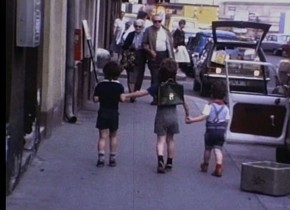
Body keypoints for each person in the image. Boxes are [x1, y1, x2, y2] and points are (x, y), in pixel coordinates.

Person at [123, 58, 190, 174]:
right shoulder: (177, 87)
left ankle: (160, 161)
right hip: (173, 116)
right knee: (171, 140)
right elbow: (185, 102)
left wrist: (128, 95)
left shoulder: (158, 86)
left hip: (161, 115)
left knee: (161, 140)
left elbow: (142, 93)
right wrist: (188, 115)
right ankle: (169, 162)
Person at [185, 81, 230, 177]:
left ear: (212, 93)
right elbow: (227, 120)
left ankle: (205, 165)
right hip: (220, 132)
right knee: (218, 149)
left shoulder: (209, 106)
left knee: (208, 149)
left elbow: (203, 116)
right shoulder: (226, 108)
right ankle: (218, 166)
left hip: (210, 131)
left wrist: (192, 119)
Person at [93, 61, 126, 167]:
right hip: (114, 112)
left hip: (103, 111)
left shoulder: (101, 85)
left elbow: (95, 99)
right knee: (113, 136)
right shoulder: (119, 86)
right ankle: (112, 158)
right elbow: (122, 99)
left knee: (102, 136)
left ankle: (101, 158)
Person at [142, 14, 175, 105]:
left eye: (159, 21)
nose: (157, 23)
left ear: (161, 22)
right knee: (155, 77)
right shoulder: (148, 31)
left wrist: (172, 59)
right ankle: (155, 97)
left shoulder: (166, 31)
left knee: (165, 77)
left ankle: (164, 97)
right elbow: (144, 44)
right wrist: (150, 51)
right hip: (154, 56)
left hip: (164, 56)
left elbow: (170, 45)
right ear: (152, 22)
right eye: (155, 21)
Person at [122, 19, 146, 103]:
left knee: (139, 77)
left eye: (140, 26)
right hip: (131, 58)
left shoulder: (145, 35)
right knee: (131, 76)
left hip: (141, 57)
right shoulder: (130, 34)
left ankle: (135, 92)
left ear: (142, 27)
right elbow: (124, 46)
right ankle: (131, 94)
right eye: (136, 26)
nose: (138, 28)